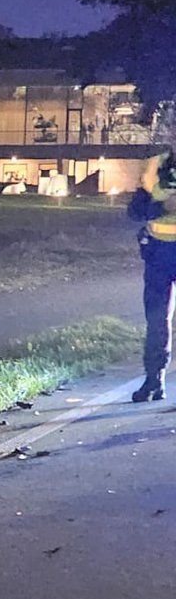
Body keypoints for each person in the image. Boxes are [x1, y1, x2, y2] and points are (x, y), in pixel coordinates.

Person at [129, 136, 176, 402]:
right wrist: (161, 207)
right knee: (157, 320)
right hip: (159, 254)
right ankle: (154, 380)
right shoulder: (154, 167)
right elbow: (135, 211)